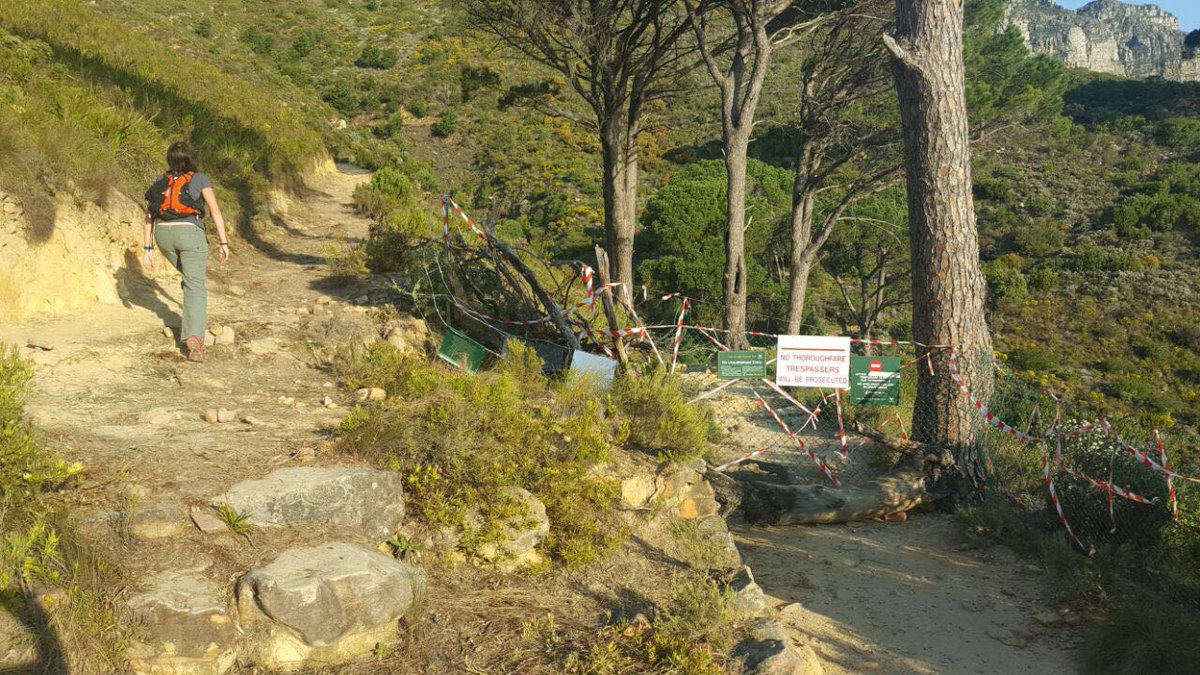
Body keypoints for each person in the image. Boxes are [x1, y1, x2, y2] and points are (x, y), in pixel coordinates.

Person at [141, 141, 231, 363]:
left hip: (163, 236)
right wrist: (223, 242)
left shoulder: (160, 181)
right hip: (189, 233)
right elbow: (215, 212)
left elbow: (149, 217)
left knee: (190, 279)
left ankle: (191, 327)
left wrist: (148, 250)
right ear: (191, 158)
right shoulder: (199, 179)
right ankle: (194, 338)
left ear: (169, 159)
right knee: (195, 286)